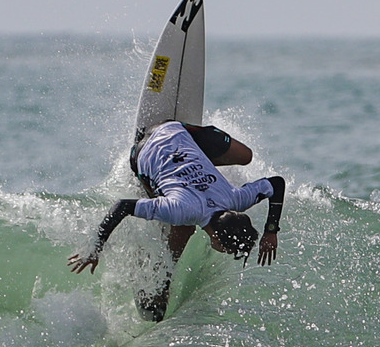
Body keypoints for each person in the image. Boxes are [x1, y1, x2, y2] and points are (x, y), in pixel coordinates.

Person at [68, 120, 286, 319]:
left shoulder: (236, 199)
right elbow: (122, 206)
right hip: (142, 150)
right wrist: (96, 247)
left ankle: (194, 157)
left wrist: (271, 231)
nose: (228, 253)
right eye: (229, 249)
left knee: (245, 156)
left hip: (173, 128)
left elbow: (276, 183)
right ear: (217, 239)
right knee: (183, 229)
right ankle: (160, 281)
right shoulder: (182, 211)